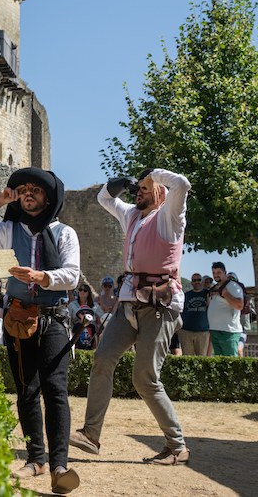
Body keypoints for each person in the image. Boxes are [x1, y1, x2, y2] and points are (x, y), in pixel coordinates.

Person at [0, 167, 81, 493]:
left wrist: (41, 277)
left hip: (54, 318)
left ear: (48, 197)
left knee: (55, 391)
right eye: (24, 189)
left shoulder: (65, 233)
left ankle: (59, 466)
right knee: (26, 390)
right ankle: (36, 459)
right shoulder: (7, 229)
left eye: (36, 190)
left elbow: (71, 276)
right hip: (18, 318)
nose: (28, 193)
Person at [70, 168, 191, 467]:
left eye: (146, 188)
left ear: (161, 192)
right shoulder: (131, 216)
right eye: (137, 188)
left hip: (161, 306)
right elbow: (104, 199)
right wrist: (118, 186)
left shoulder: (170, 217)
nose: (139, 191)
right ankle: (90, 434)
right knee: (103, 358)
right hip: (129, 302)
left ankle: (177, 447)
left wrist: (154, 174)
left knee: (145, 379)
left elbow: (183, 184)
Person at [207, 263, 244, 357]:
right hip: (215, 330)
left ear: (225, 272)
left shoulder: (233, 286)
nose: (216, 275)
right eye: (214, 273)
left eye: (218, 272)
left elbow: (240, 305)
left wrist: (225, 294)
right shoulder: (214, 288)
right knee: (220, 363)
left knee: (230, 363)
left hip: (229, 331)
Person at [180, 273, 210, 356]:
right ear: (191, 283)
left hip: (203, 332)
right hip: (186, 331)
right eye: (194, 280)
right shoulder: (186, 295)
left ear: (202, 281)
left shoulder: (208, 294)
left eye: (199, 280)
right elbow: (180, 311)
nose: (197, 282)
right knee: (187, 359)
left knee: (202, 359)